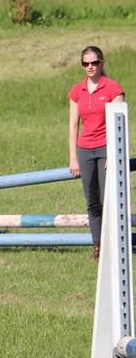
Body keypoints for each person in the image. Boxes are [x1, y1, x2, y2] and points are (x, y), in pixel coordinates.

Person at [68, 45, 125, 260]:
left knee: (108, 198)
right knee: (92, 201)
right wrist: (73, 157)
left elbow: (119, 125)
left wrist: (113, 153)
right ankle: (97, 246)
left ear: (102, 63)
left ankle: (114, 244)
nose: (90, 67)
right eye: (86, 63)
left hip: (105, 149)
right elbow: (73, 125)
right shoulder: (77, 91)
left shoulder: (113, 89)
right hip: (84, 149)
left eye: (94, 63)